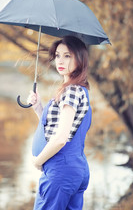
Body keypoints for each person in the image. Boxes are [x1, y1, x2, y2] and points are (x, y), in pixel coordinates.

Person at [27, 35, 92, 210]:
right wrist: (38, 107)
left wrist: (38, 161)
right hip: (76, 169)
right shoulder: (80, 90)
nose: (60, 61)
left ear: (80, 58)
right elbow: (57, 129)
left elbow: (61, 138)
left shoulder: (70, 92)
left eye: (67, 56)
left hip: (60, 171)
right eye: (57, 55)